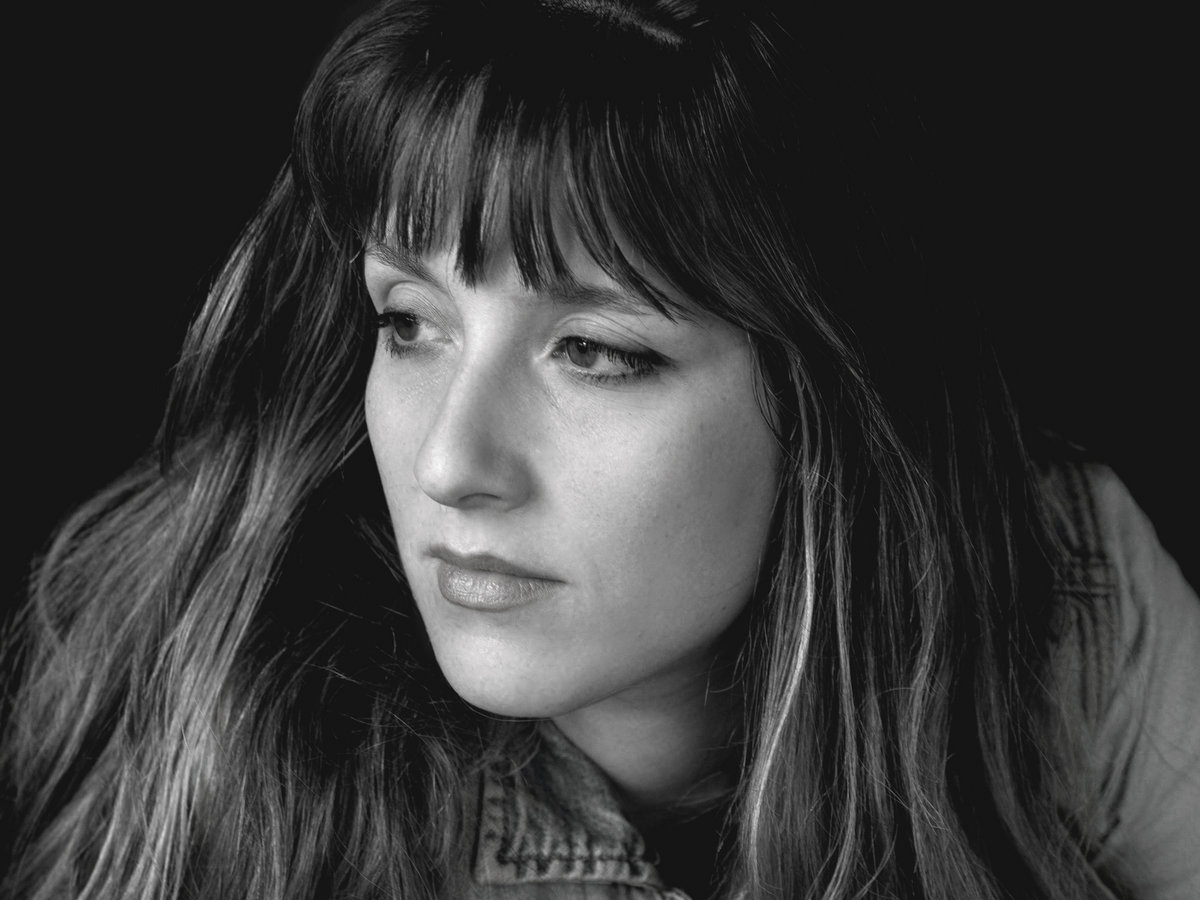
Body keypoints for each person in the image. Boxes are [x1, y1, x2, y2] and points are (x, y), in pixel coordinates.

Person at [3, 2, 1197, 898]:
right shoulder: (220, 700)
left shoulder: (1053, 583)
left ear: (828, 400)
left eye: (594, 352)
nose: (450, 464)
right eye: (409, 323)